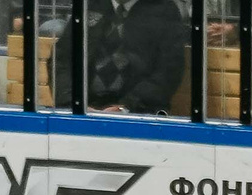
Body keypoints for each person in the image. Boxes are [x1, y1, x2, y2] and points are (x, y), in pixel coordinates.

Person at [52, 0, 190, 113]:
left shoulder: (164, 10)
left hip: (139, 112)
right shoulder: (89, 4)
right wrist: (72, 102)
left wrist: (127, 106)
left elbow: (169, 70)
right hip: (83, 107)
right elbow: (62, 60)